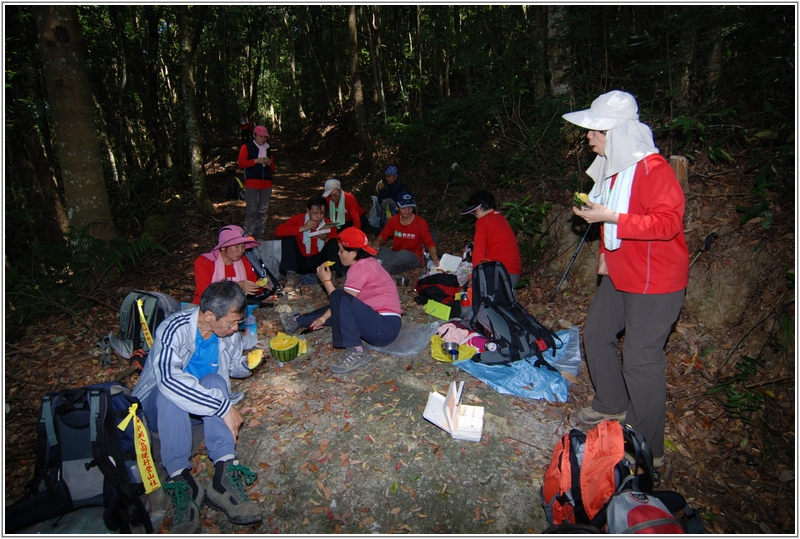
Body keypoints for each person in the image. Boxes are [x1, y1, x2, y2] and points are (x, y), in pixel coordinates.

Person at [562, 90, 689, 468]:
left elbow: (668, 223)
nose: (588, 138)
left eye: (595, 131)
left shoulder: (653, 169)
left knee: (640, 356)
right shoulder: (613, 169)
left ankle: (649, 448)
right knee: (597, 332)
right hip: (622, 270)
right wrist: (604, 251)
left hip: (658, 278)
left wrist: (612, 220)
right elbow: (609, 211)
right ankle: (611, 404)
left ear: (616, 132)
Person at [132, 281, 262, 533]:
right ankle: (183, 479)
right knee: (169, 393)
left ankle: (224, 474)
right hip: (160, 405)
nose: (236, 329)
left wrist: (249, 365)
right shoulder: (173, 328)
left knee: (214, 381)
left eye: (238, 323)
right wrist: (223, 406)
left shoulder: (228, 332)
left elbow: (233, 366)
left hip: (199, 409)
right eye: (231, 323)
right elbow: (169, 380)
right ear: (209, 315)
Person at [279, 228, 402, 374]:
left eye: (342, 250)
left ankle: (357, 350)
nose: (338, 254)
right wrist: (322, 318)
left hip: (383, 327)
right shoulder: (366, 263)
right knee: (339, 300)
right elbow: (343, 305)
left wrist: (326, 281)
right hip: (379, 322)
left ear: (354, 253)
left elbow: (340, 301)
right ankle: (298, 321)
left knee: (337, 297)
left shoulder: (361, 268)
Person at [461, 189, 523, 286]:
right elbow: (496, 245)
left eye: (474, 211)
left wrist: (475, 276)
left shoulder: (483, 221)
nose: (474, 214)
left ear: (480, 207)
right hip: (513, 272)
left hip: (499, 274)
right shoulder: (500, 218)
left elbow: (479, 252)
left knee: (465, 292)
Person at [275, 195, 344, 279]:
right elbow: (278, 232)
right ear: (308, 210)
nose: (319, 216)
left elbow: (338, 245)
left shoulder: (329, 224)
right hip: (300, 260)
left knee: (333, 242)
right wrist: (303, 228)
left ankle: (333, 274)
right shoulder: (298, 219)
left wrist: (326, 239)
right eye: (315, 213)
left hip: (319, 261)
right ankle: (291, 274)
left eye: (322, 213)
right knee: (288, 237)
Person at [371, 191, 440, 274]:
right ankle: (394, 267)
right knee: (370, 249)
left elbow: (430, 243)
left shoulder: (420, 223)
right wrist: (377, 243)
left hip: (413, 256)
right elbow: (382, 236)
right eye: (403, 208)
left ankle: (379, 268)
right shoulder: (393, 221)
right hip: (395, 253)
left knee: (403, 254)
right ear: (397, 207)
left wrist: (435, 259)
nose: (407, 211)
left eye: (410, 208)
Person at [192, 225, 263, 305]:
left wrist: (260, 285)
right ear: (223, 247)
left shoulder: (243, 261)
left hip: (234, 310)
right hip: (205, 308)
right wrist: (236, 287)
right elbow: (205, 293)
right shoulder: (204, 262)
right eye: (236, 246)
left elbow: (252, 286)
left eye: (243, 246)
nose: (240, 250)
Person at [238, 125, 274, 240]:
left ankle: (259, 236)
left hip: (266, 183)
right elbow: (241, 163)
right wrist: (256, 161)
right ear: (254, 135)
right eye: (260, 137)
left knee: (263, 211)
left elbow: (273, 168)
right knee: (252, 210)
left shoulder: (268, 149)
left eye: (265, 137)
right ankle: (248, 235)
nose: (263, 139)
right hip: (252, 183)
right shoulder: (247, 147)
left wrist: (269, 164)